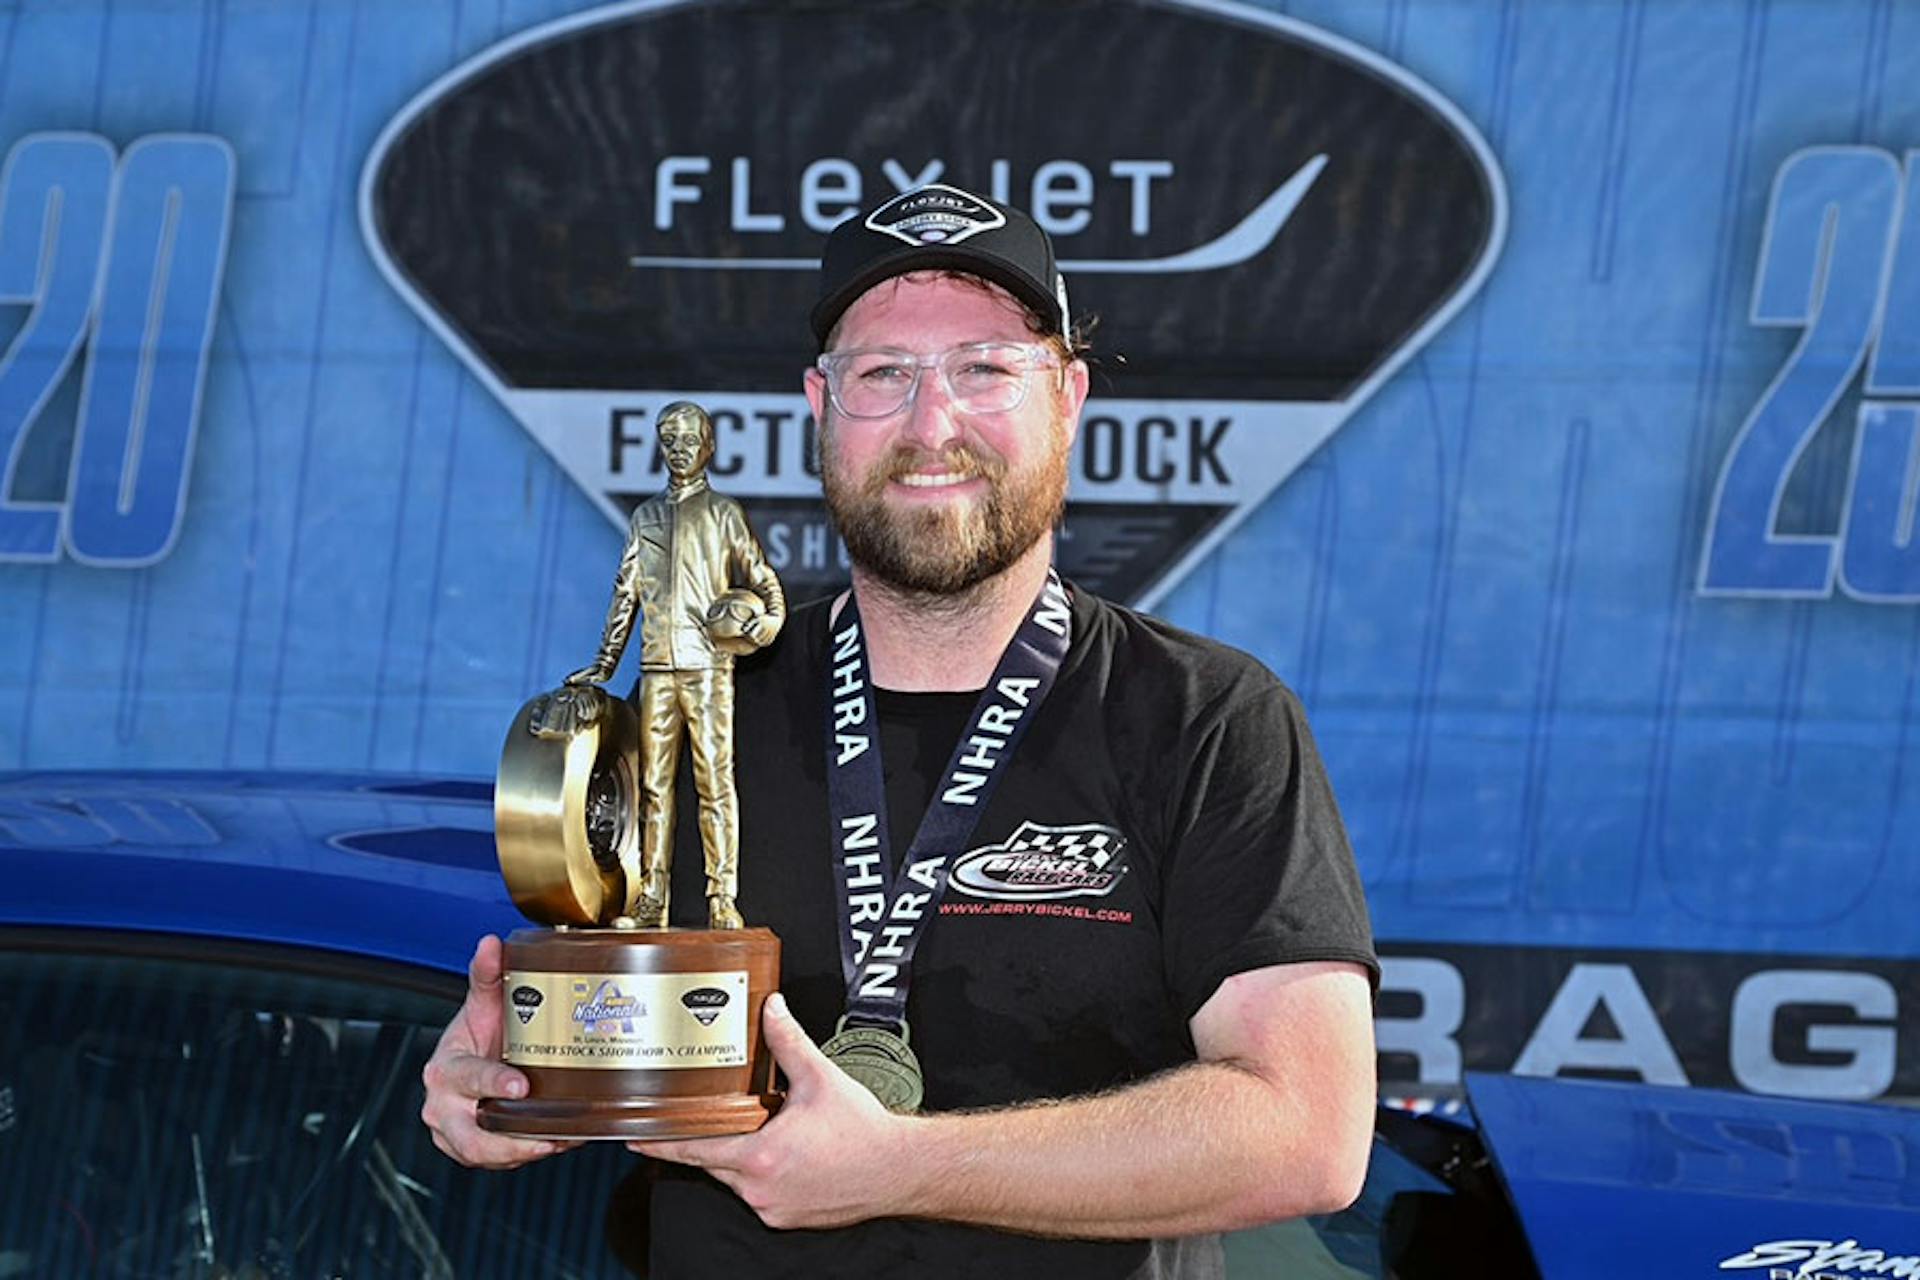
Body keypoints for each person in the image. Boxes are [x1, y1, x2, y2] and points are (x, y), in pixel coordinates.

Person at [422, 183, 1378, 1279]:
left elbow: (1308, 1130)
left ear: (1068, 397)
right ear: (819, 405)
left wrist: (901, 1166)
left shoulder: (1207, 719)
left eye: (985, 369)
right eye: (883, 374)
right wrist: (502, 1078)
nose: (932, 426)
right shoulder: (706, 710)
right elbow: (595, 1018)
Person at [561, 400, 785, 929]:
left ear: (708, 446)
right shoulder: (645, 517)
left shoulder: (724, 513)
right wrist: (604, 665)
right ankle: (652, 897)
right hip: (657, 670)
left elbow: (762, 578)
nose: (679, 450)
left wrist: (769, 621)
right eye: (670, 441)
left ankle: (722, 897)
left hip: (709, 670)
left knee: (715, 785)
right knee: (654, 788)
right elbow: (625, 596)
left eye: (689, 440)